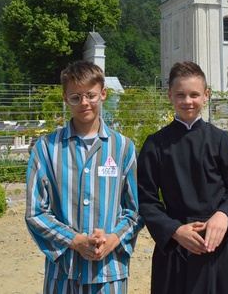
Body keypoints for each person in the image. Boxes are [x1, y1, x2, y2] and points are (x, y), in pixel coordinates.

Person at [25, 60, 142, 294]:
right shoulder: (47, 148)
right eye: (76, 97)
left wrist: (113, 239)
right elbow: (35, 212)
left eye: (91, 95)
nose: (84, 103)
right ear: (65, 98)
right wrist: (75, 241)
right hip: (64, 272)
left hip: (109, 272)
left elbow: (135, 210)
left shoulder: (122, 148)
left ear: (103, 93)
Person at [137, 61, 228, 294]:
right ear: (169, 95)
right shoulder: (155, 145)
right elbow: (146, 200)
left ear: (206, 95)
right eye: (180, 95)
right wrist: (174, 230)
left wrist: (224, 215)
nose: (187, 101)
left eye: (194, 94)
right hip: (177, 246)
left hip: (219, 245)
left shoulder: (221, 141)